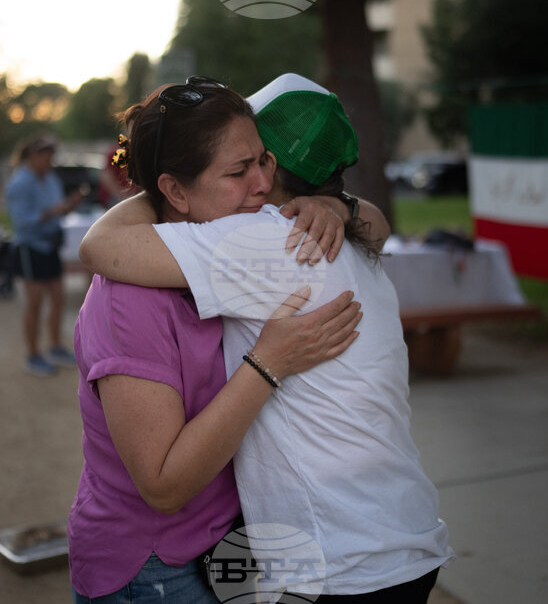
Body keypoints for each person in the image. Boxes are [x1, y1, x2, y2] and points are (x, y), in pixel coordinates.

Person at [79, 73, 454, 602]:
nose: (257, 181)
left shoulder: (269, 239)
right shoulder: (346, 237)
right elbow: (377, 223)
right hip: (399, 537)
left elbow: (101, 245)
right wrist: (342, 205)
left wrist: (159, 189)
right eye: (239, 168)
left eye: (264, 161)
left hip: (339, 564)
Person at [5, 134, 82, 376]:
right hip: (30, 248)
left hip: (50, 246)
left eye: (52, 156)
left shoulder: (51, 179)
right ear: (33, 156)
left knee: (58, 298)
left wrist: (68, 206)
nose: (51, 161)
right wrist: (51, 212)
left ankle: (56, 347)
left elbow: (56, 210)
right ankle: (33, 355)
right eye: (47, 156)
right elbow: (21, 222)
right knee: (35, 304)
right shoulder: (20, 183)